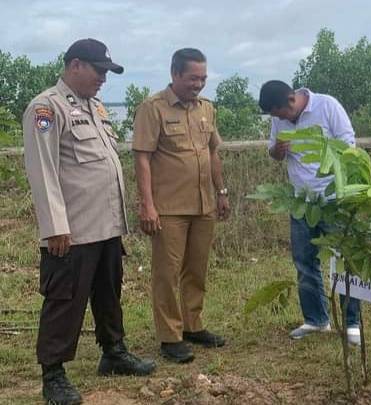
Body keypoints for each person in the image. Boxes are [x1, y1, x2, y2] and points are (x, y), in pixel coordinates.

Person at [23, 38, 155, 405]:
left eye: (107, 72)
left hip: (107, 224)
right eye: (99, 71)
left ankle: (113, 352)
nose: (103, 79)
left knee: (109, 292)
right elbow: (42, 170)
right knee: (64, 299)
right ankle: (53, 374)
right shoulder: (46, 107)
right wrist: (54, 227)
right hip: (73, 229)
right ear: (75, 64)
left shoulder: (95, 107)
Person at [133, 48, 230, 364]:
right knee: (166, 273)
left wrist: (222, 191)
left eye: (202, 78)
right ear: (175, 75)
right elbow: (142, 157)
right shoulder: (152, 109)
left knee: (197, 269)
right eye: (192, 78)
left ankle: (193, 325)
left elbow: (213, 152)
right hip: (169, 208)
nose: (198, 84)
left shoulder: (206, 109)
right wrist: (147, 205)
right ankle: (170, 337)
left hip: (204, 206)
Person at [258, 80, 362, 345]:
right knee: (304, 262)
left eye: (280, 114)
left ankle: (352, 323)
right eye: (275, 117)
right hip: (300, 202)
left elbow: (348, 144)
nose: (279, 119)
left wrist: (330, 164)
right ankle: (316, 320)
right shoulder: (278, 118)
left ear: (291, 101)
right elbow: (273, 151)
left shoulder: (327, 106)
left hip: (333, 198)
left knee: (343, 260)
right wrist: (277, 151)